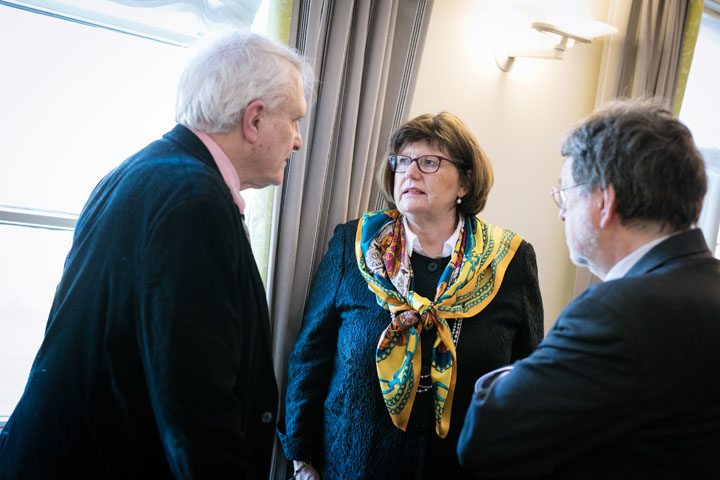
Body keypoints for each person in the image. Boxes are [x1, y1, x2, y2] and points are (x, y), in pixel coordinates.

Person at [0, 30, 312, 479]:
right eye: (295, 120)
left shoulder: (139, 171)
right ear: (254, 119)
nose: (298, 141)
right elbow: (196, 409)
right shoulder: (195, 202)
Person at [457, 99, 720, 479]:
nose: (562, 211)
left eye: (566, 193)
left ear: (604, 202)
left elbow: (485, 441)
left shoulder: (612, 314)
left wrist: (520, 373)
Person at [278, 112, 544, 479]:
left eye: (429, 162)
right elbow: (310, 356)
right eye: (402, 161)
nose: (410, 173)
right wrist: (301, 458)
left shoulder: (509, 261)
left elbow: (528, 378)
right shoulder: (354, 246)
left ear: (465, 182)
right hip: (354, 466)